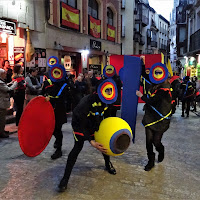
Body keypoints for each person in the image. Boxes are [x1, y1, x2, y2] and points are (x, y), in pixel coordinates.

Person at [58, 79, 118, 192]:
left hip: (94, 123)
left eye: (111, 90)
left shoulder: (107, 100)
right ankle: (65, 179)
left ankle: (107, 164)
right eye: (107, 90)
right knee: (76, 149)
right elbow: (81, 123)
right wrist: (91, 141)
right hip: (80, 124)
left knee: (103, 144)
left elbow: (106, 116)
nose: (109, 92)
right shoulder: (86, 102)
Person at [136, 63, 172, 171]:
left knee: (156, 141)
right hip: (150, 117)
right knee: (148, 141)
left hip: (161, 120)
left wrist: (141, 96)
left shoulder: (165, 90)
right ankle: (150, 161)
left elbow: (152, 101)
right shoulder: (154, 84)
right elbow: (146, 76)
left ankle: (161, 150)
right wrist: (142, 64)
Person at [42, 63, 69, 160]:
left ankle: (59, 149)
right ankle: (57, 141)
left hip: (59, 110)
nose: (56, 74)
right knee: (52, 129)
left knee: (58, 129)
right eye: (55, 72)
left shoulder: (64, 84)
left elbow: (63, 97)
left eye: (58, 72)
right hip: (48, 111)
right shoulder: (46, 83)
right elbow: (42, 94)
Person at [0, 69, 18, 138]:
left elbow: (5, 86)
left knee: (3, 118)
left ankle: (2, 130)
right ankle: (1, 132)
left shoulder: (1, 82)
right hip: (1, 103)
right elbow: (8, 89)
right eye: (4, 74)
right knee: (2, 119)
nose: (5, 75)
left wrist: (11, 83)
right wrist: (15, 84)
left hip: (2, 102)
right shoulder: (0, 82)